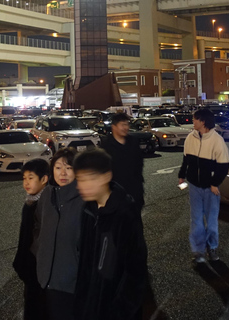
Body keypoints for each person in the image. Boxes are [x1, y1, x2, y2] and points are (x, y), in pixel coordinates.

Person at [73, 149, 148, 320]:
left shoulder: (124, 214)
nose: (81, 186)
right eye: (79, 179)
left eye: (89, 179)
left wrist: (120, 311)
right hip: (90, 308)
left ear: (106, 176)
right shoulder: (88, 211)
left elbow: (135, 272)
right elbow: (85, 265)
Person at [35, 148, 84, 320]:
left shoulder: (84, 200)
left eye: (69, 168)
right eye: (57, 168)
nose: (62, 173)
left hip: (71, 281)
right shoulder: (47, 195)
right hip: (46, 278)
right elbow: (39, 228)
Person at [178, 108, 229, 264]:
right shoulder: (190, 138)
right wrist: (182, 175)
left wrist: (215, 183)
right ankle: (198, 251)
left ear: (203, 122)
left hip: (210, 188)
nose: (192, 121)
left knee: (212, 220)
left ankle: (212, 247)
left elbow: (224, 165)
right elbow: (186, 159)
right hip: (194, 185)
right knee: (196, 220)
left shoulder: (216, 140)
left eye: (195, 119)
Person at [13, 158, 50, 320]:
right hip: (29, 264)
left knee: (37, 306)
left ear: (44, 179)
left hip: (38, 266)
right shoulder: (30, 201)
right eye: (24, 178)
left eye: (31, 178)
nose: (26, 182)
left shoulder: (45, 204)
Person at [98, 112, 145, 209]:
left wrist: (139, 189)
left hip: (134, 193)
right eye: (122, 125)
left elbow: (139, 165)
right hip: (115, 195)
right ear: (114, 127)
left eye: (127, 124)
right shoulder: (106, 146)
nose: (126, 127)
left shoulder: (133, 142)